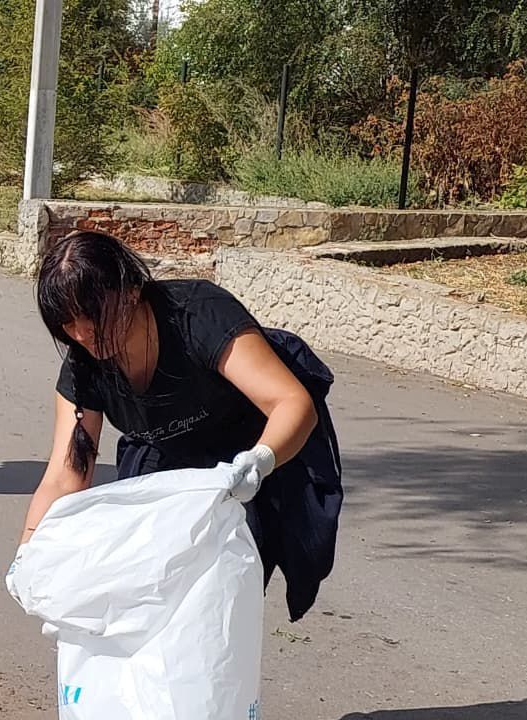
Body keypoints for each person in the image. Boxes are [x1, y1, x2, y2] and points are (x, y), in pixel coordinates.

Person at [21, 230, 343, 621]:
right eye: (67, 323)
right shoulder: (84, 364)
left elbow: (291, 402)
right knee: (144, 587)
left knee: (216, 596)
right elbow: (65, 475)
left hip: (253, 454)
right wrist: (31, 550)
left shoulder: (197, 315)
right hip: (164, 455)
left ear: (130, 290)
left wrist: (259, 461)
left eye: (91, 316)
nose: (82, 334)